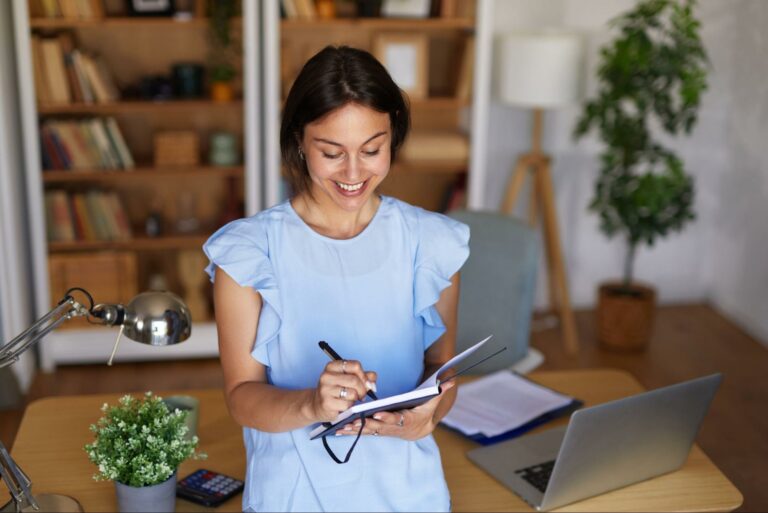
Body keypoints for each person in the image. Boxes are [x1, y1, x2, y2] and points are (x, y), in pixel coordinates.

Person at [203, 45, 469, 512]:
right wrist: (311, 405)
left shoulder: (432, 242)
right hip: (293, 494)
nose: (353, 173)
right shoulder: (248, 252)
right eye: (331, 152)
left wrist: (429, 417)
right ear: (299, 142)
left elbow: (441, 370)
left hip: (410, 491)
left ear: (393, 137)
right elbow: (242, 397)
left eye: (372, 150)